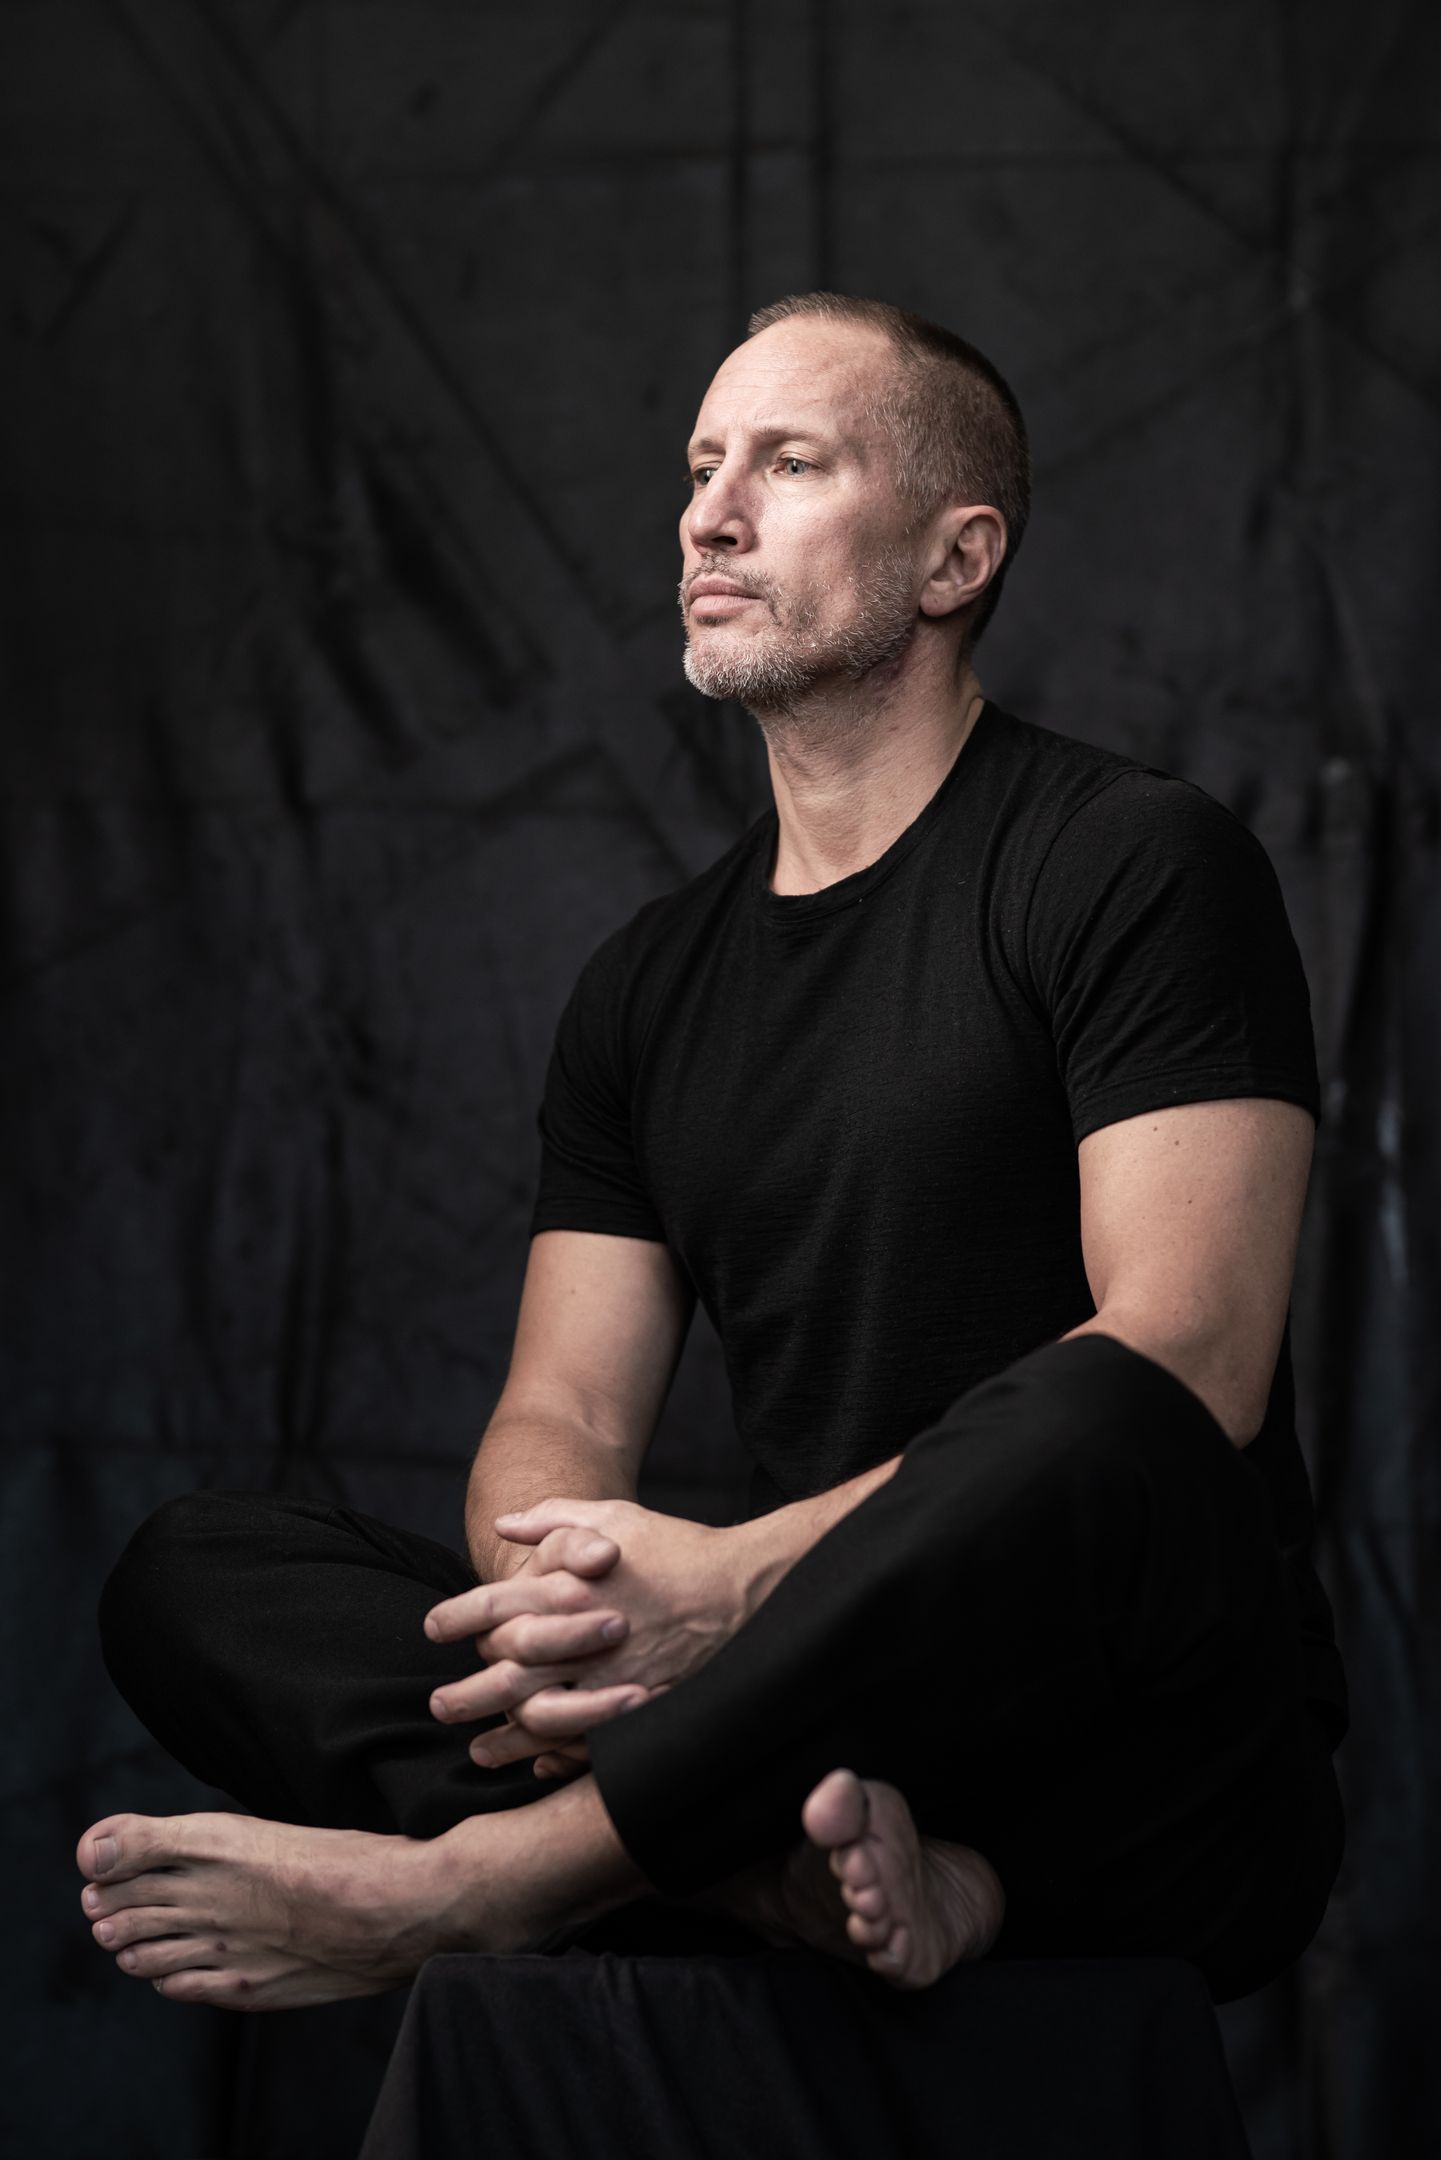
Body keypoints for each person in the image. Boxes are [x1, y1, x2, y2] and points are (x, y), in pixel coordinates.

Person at [77, 292, 1347, 2013]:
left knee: (1101, 1398)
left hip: (1126, 1735)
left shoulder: (1132, 862)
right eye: (698, 467)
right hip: (794, 1736)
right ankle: (778, 1882)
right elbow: (561, 1411)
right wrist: (570, 1597)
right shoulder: (647, 984)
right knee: (197, 1574)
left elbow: (1194, 1363)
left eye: (789, 463)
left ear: (954, 557)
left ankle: (493, 1884)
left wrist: (734, 1585)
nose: (708, 516)